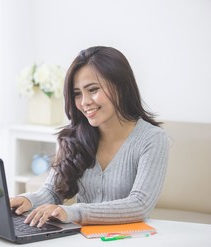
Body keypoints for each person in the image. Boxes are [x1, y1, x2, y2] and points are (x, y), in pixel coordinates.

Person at [10, 46, 169, 227]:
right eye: (77, 93)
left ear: (121, 86)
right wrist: (27, 200)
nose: (84, 102)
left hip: (128, 244)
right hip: (81, 241)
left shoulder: (152, 139)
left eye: (92, 89)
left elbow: (140, 205)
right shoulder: (74, 137)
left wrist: (73, 212)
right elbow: (53, 191)